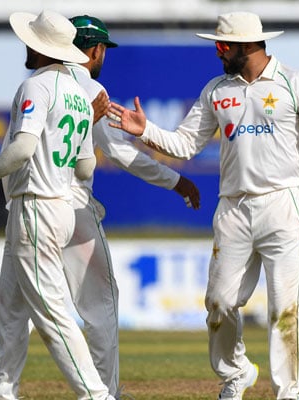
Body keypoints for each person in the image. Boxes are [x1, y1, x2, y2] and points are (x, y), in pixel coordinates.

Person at [108, 11, 299, 400]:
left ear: (248, 45)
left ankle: (287, 392)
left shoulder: (296, 83)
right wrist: (147, 132)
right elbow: (186, 144)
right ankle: (236, 373)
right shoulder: (216, 90)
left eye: (223, 45)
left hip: (281, 204)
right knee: (219, 303)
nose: (218, 52)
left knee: (283, 309)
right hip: (233, 209)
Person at [0, 10, 115, 400]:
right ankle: (2, 392)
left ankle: (97, 395)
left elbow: (21, 149)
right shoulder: (78, 93)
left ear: (37, 46)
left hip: (36, 207)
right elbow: (86, 167)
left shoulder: (36, 86)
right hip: (60, 208)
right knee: (11, 309)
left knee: (52, 313)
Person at [63, 14, 201, 396]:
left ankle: (2, 390)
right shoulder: (94, 93)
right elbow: (124, 156)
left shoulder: (31, 86)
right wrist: (176, 180)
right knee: (101, 305)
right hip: (71, 210)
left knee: (16, 310)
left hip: (23, 212)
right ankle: (104, 392)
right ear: (96, 50)